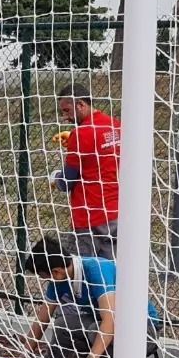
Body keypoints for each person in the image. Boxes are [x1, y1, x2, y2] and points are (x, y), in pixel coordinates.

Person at [13, 234, 160, 358]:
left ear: (56, 272)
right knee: (64, 324)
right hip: (106, 325)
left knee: (95, 329)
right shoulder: (59, 280)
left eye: (44, 276)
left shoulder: (96, 270)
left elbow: (109, 321)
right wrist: (23, 355)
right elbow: (42, 319)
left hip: (143, 330)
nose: (45, 280)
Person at [51, 84, 121, 260]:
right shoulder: (116, 125)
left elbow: (66, 182)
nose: (65, 117)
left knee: (84, 272)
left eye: (67, 110)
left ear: (81, 105)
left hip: (89, 220)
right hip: (116, 215)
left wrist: (54, 177)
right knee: (112, 271)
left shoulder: (81, 134)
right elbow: (100, 154)